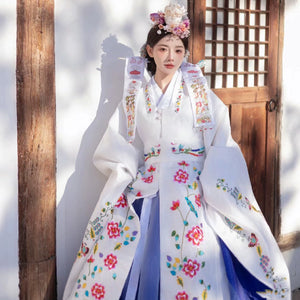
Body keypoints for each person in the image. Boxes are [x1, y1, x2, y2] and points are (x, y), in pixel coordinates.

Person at [63, 3, 291, 300]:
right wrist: (128, 174)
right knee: (131, 252)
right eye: (163, 49)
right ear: (150, 51)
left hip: (191, 187)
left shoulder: (199, 92)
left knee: (195, 256)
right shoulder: (135, 95)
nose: (171, 57)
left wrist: (211, 178)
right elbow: (121, 141)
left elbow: (221, 137)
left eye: (178, 51)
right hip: (150, 185)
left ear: (185, 54)